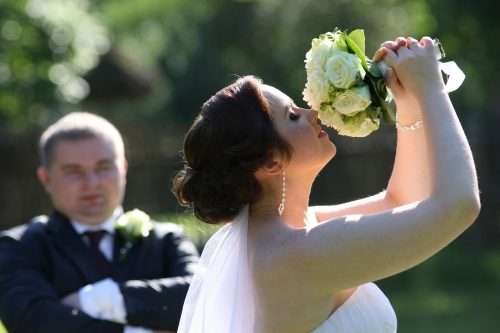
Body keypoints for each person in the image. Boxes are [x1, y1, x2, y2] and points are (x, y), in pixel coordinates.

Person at [172, 36, 480, 333]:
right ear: (270, 163)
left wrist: (406, 98)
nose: (312, 113)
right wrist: (431, 88)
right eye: (293, 116)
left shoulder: (292, 232)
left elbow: (400, 201)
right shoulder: (293, 254)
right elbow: (458, 206)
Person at [0, 112, 199, 333]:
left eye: (104, 168)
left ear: (123, 169)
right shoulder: (19, 245)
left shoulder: (166, 239)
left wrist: (99, 300)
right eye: (73, 172)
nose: (91, 183)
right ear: (46, 179)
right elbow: (32, 321)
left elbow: (198, 297)